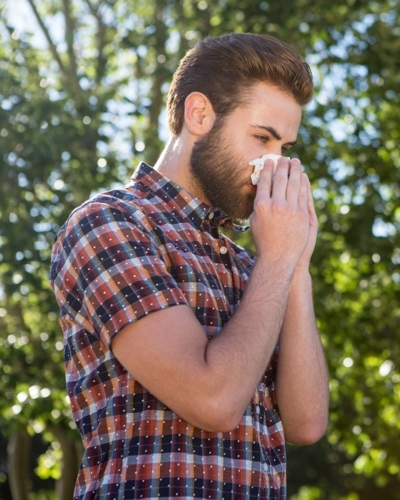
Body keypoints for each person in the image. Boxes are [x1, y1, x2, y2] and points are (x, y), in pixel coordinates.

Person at [48, 33, 329, 499]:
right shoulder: (112, 224)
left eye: (284, 147)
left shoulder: (253, 266)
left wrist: (294, 264)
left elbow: (306, 422)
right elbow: (213, 399)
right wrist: (278, 258)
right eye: (261, 138)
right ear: (199, 115)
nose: (272, 166)